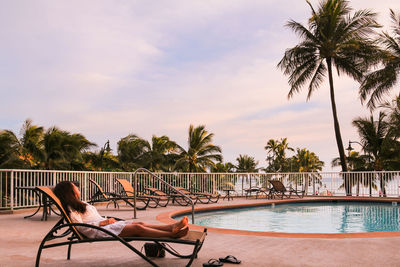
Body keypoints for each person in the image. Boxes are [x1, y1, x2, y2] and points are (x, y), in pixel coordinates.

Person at [53, 181, 189, 239]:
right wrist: (101, 224)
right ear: (70, 191)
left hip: (105, 227)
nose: (78, 188)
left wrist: (104, 222)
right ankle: (171, 235)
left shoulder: (80, 203)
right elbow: (79, 227)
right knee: (138, 230)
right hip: (100, 231)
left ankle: (171, 226)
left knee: (139, 224)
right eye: (75, 187)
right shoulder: (72, 208)